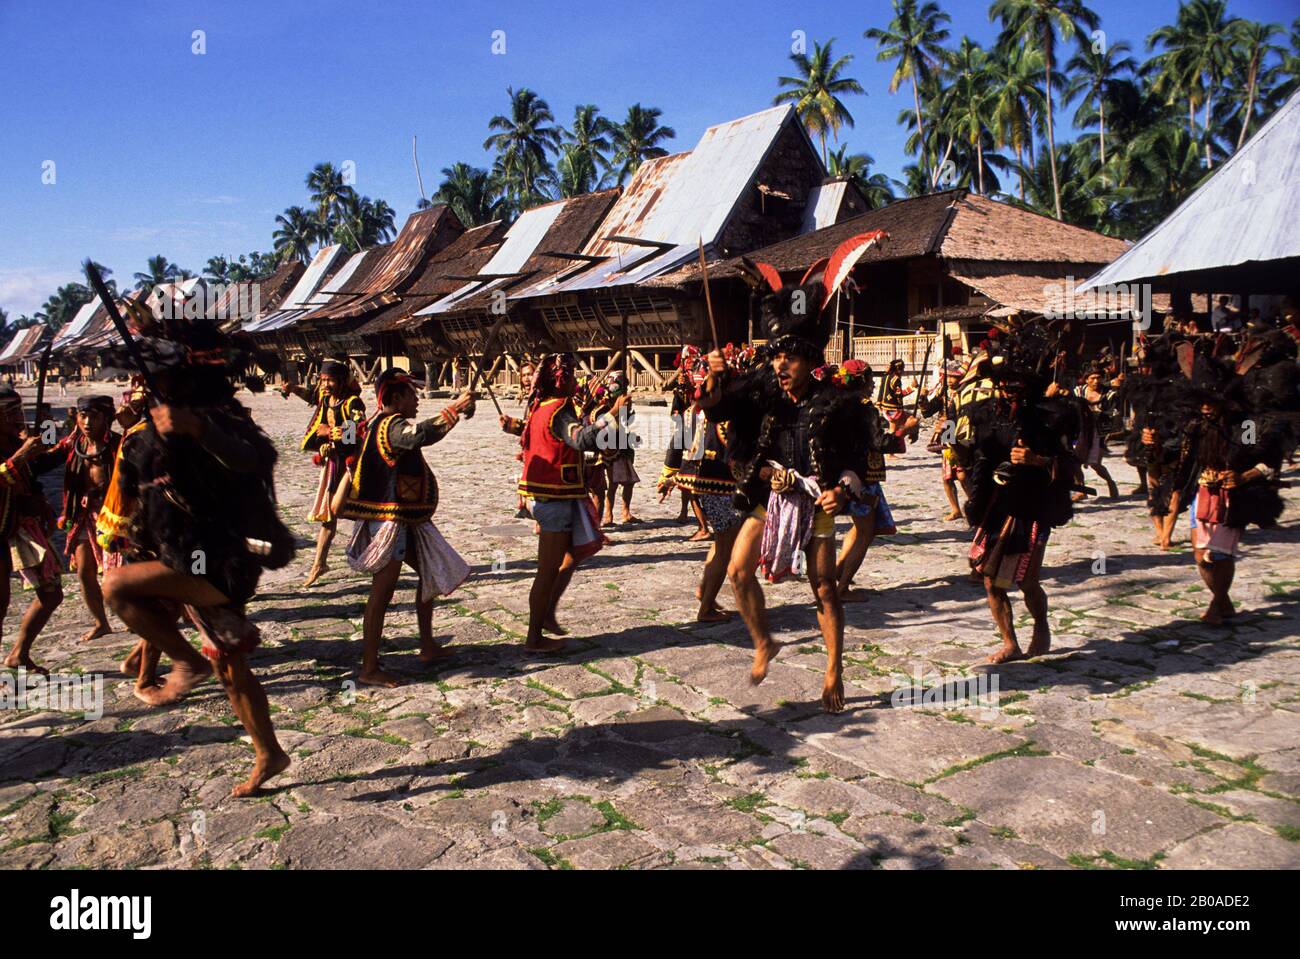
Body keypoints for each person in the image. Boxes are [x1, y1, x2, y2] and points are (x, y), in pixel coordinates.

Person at [100, 321, 296, 797]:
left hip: (218, 561)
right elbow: (145, 497)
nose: (150, 387)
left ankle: (187, 663)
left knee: (116, 587)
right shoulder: (149, 433)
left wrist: (198, 429)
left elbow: (254, 460)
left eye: (162, 380)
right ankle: (269, 752)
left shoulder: (222, 419)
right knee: (231, 665)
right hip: (180, 557)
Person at [699, 279, 876, 713]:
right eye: (777, 356)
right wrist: (716, 378)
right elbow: (721, 408)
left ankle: (834, 668)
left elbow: (858, 458)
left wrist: (841, 489)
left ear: (810, 360)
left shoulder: (837, 403)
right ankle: (764, 642)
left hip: (815, 501)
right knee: (739, 572)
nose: (781, 365)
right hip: (771, 498)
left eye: (790, 357)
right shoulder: (763, 395)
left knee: (825, 589)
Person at [339, 369, 474, 686]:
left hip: (405, 519)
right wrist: (453, 408)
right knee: (381, 593)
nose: (417, 399)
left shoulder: (381, 424)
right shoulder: (391, 426)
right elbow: (419, 435)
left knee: (429, 572)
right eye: (412, 394)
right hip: (390, 523)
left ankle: (427, 647)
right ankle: (369, 667)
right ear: (396, 399)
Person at [960, 328, 1080, 664]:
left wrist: (1037, 460)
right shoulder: (986, 415)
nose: (1008, 390)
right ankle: (1010, 641)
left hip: (1033, 507)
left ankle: (1041, 625)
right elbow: (979, 461)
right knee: (991, 580)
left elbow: (1070, 464)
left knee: (1027, 580)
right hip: (997, 507)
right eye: (1005, 383)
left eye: (1017, 384)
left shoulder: (1050, 417)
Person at [517, 353, 625, 653]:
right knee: (547, 570)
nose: (576, 381)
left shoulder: (540, 406)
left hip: (555, 494)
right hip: (554, 499)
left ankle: (547, 614)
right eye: (572, 375)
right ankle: (534, 638)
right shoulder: (559, 410)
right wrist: (612, 415)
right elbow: (580, 439)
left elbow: (541, 441)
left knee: (572, 555)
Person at [833, 360, 914, 602]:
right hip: (861, 475)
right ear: (862, 381)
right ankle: (842, 588)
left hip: (847, 472)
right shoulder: (863, 406)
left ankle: (840, 571)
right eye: (869, 379)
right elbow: (879, 442)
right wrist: (904, 430)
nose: (873, 384)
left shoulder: (838, 402)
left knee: (859, 528)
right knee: (865, 532)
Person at [282, 359, 366, 587]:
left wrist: (330, 433)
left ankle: (380, 553)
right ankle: (319, 563)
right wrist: (293, 388)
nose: (326, 385)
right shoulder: (326, 399)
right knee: (328, 514)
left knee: (359, 510)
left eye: (330, 380)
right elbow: (312, 398)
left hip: (352, 465)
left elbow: (354, 436)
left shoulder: (352, 403)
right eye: (323, 380)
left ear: (341, 381)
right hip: (333, 464)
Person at [0, 387, 64, 675]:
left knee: (51, 593)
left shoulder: (14, 441)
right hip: (4, 531)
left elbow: (48, 456)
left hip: (15, 531)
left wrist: (48, 424)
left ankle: (19, 654)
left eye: (19, 412)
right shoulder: (14, 448)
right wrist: (19, 458)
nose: (18, 420)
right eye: (10, 414)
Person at [49, 395, 120, 643]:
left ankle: (143, 616)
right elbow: (46, 461)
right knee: (84, 572)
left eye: (94, 416)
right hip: (82, 518)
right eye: (83, 416)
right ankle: (101, 623)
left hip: (114, 518)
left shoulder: (119, 445)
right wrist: (33, 444)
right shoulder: (72, 445)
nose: (87, 422)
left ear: (107, 418)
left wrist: (97, 494)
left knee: (115, 576)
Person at [1072, 366, 1121, 500]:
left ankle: (1111, 483)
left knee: (1095, 463)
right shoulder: (1079, 392)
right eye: (1092, 378)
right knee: (1075, 462)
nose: (1095, 381)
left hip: (1097, 432)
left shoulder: (1109, 394)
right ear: (1086, 380)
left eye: (1098, 378)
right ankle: (1082, 490)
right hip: (1081, 431)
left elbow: (1112, 413)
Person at [500, 360, 536, 519]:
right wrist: (510, 424)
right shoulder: (531, 399)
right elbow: (528, 427)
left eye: (530, 374)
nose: (527, 379)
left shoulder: (542, 398)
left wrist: (516, 424)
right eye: (524, 375)